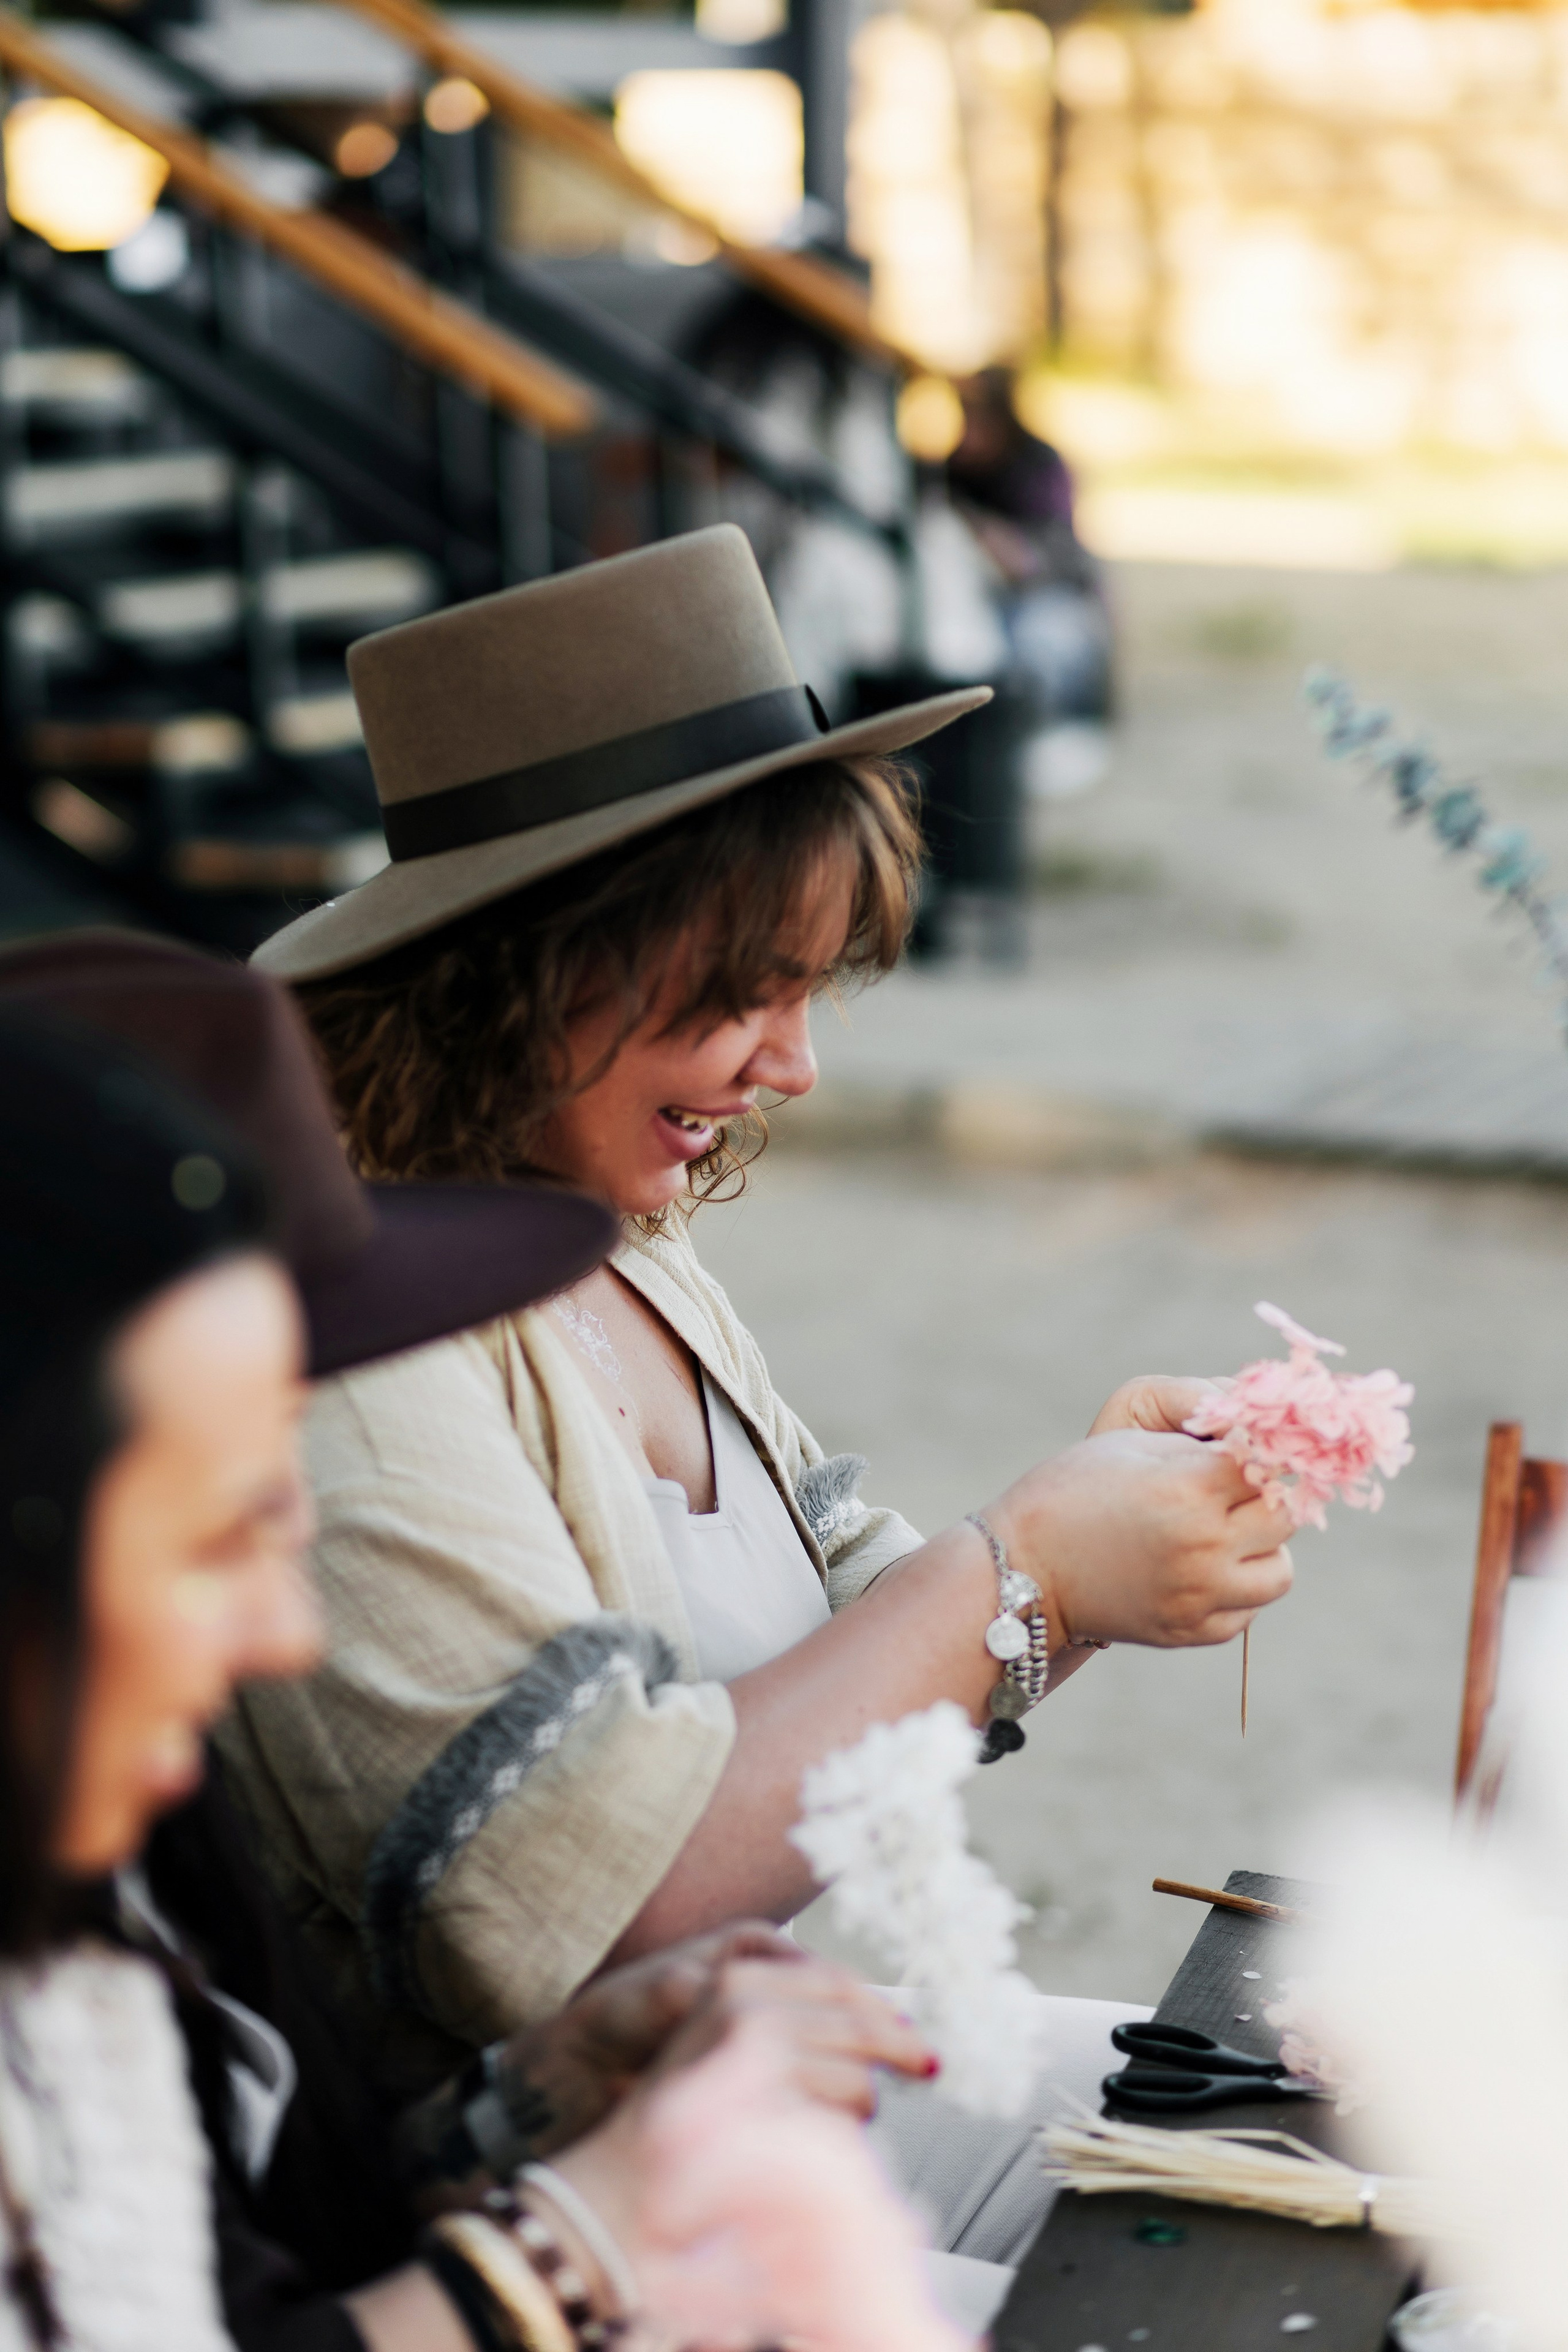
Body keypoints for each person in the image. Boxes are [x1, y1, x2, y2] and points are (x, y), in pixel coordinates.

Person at [224, 524, 1293, 2288]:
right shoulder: (354, 1336)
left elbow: (872, 1637)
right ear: (518, 966)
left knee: (1347, 2154)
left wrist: (1108, 1534)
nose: (794, 1064)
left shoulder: (612, 1242)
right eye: (743, 993)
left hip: (740, 2096)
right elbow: (562, 1918)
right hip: (524, 2231)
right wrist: (1026, 1563)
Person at [0, 990, 968, 2352]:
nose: (287, 1634)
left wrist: (531, 2105)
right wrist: (578, 2228)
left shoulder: (131, 1857)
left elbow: (257, 2250)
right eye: (215, 1537)